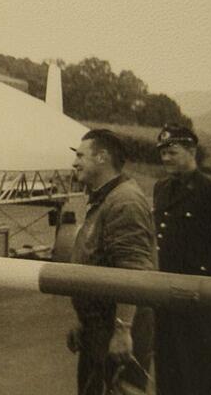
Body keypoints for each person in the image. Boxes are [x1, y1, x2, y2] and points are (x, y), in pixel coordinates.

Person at [152, 124, 211, 395]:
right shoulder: (161, 188)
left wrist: (207, 280)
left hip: (198, 298)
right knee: (169, 370)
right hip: (165, 294)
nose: (166, 158)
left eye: (172, 152)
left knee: (203, 370)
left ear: (191, 150)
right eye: (163, 153)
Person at [68, 129, 156, 395]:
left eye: (81, 155)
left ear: (102, 157)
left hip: (116, 328)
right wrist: (82, 321)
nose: (74, 162)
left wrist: (123, 330)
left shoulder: (125, 201)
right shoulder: (105, 197)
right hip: (98, 327)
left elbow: (133, 272)